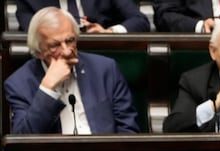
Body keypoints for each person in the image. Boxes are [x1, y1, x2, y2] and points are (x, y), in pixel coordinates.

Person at [4, 7, 140, 134]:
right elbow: (23, 141)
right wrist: (47, 89)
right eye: (55, 45)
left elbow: (128, 130)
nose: (67, 51)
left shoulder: (105, 69)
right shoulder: (19, 83)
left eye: (70, 40)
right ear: (38, 51)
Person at [16, 0, 150, 33]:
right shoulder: (30, 1)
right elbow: (32, 32)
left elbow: (140, 21)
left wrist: (109, 32)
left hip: (100, 58)